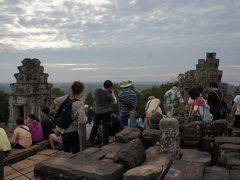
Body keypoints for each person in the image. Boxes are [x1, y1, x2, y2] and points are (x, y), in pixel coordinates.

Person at [54, 81, 86, 153]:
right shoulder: (79, 104)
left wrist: (61, 109)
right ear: (81, 91)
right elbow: (82, 120)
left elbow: (55, 101)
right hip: (72, 129)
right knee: (75, 150)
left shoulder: (66, 98)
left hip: (63, 129)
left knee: (66, 149)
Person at [88, 80, 117, 145]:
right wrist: (112, 93)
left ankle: (91, 140)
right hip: (107, 112)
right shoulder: (109, 94)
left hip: (98, 111)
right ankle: (105, 142)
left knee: (95, 126)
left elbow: (94, 97)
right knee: (105, 126)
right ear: (109, 87)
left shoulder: (97, 91)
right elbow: (115, 102)